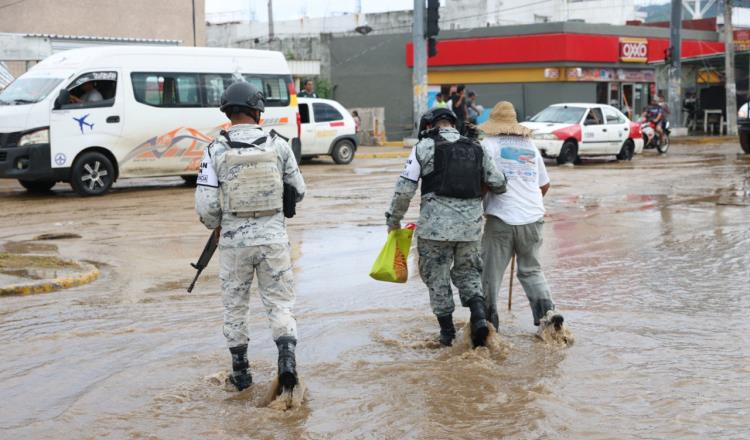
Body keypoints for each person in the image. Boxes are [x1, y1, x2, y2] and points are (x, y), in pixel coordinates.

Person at [195, 81, 306, 392]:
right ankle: (286, 359)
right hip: (273, 241)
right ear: (257, 111)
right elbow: (299, 191)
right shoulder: (279, 145)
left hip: (233, 243)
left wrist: (219, 223)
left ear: (228, 112)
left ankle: (242, 376)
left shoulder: (214, 149)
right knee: (280, 304)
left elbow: (205, 207)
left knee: (235, 308)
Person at [386, 108, 507, 348]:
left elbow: (404, 191)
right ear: (454, 124)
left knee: (437, 278)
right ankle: (480, 319)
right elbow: (499, 183)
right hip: (470, 230)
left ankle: (447, 334)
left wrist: (393, 221)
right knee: (470, 273)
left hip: (434, 231)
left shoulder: (422, 147)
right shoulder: (477, 147)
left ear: (429, 126)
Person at [478, 101, 565, 338]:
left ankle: (488, 322)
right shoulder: (529, 145)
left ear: (493, 124)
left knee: (490, 273)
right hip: (533, 217)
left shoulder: (487, 145)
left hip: (501, 219)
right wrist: (527, 208)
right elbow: (544, 185)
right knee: (531, 270)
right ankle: (548, 314)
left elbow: (483, 185)